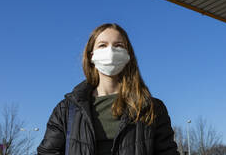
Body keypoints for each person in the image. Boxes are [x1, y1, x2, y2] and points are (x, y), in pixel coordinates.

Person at [37, 23, 179, 155]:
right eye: (102, 45)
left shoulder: (151, 108)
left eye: (118, 45)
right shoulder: (66, 110)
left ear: (128, 55)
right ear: (91, 55)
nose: (110, 51)